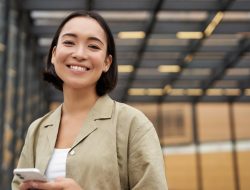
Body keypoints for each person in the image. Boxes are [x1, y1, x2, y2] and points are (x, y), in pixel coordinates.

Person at [12, 11, 168, 190]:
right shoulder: (37, 129)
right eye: (69, 42)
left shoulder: (132, 124)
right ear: (54, 54)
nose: (79, 54)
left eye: (93, 46)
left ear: (107, 62)